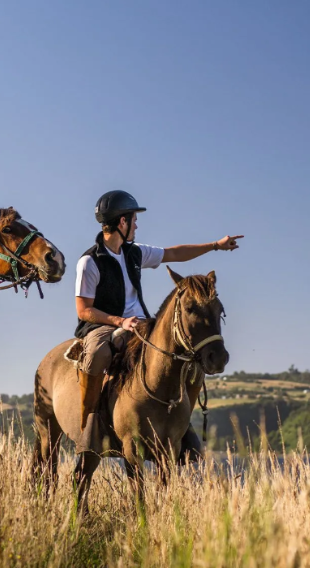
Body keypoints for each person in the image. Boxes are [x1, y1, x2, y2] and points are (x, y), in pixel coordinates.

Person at [75, 190, 242, 449]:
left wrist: (215, 246)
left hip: (141, 324)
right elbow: (84, 310)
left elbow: (174, 254)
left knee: (191, 361)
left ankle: (181, 427)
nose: (136, 225)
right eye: (134, 220)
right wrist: (119, 322)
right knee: (97, 354)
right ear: (122, 222)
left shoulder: (135, 252)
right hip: (104, 325)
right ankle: (90, 422)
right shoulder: (89, 262)